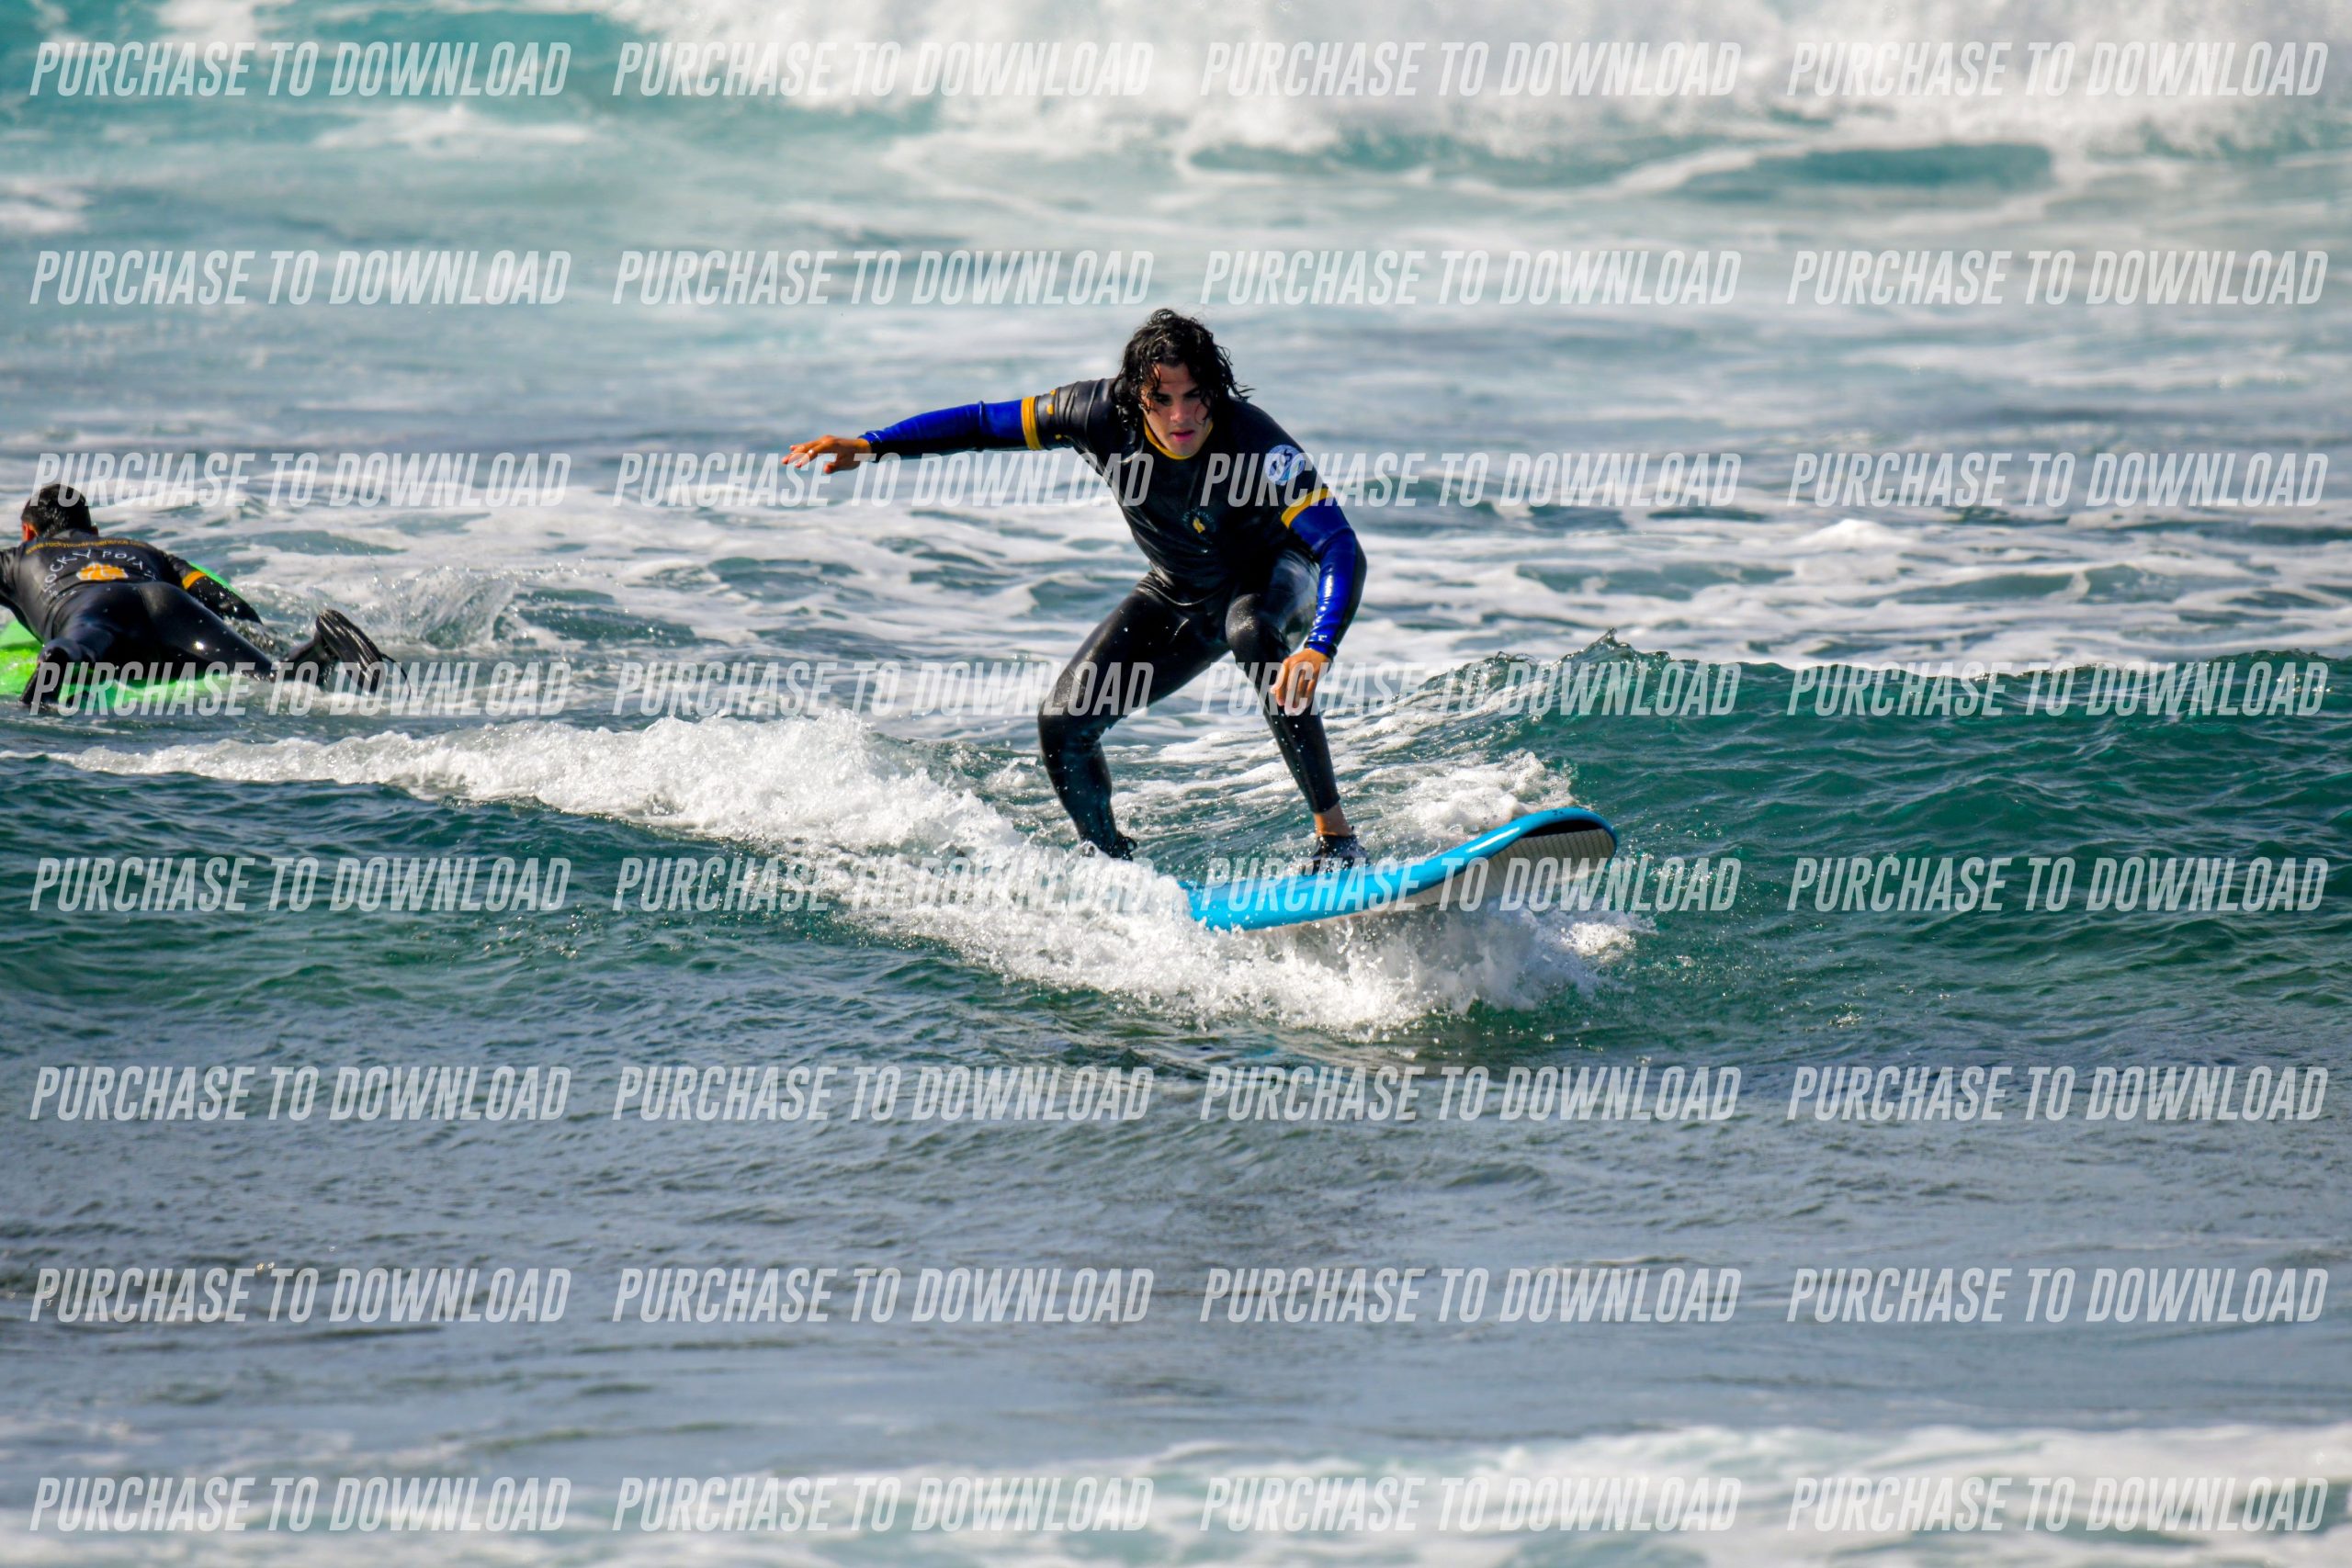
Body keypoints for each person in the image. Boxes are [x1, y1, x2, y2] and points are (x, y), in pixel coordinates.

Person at [789, 310, 1368, 870]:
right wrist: (873, 445)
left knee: (1252, 632)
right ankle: (1111, 865)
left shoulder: (1257, 443)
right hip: (1178, 591)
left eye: (1195, 396)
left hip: (1275, 577)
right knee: (1064, 723)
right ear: (1136, 396)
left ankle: (1336, 840)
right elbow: (984, 424)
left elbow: (1339, 546)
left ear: (1215, 392)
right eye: (1162, 399)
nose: (1181, 416)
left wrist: (1319, 646)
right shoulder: (1094, 414)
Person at [3, 482, 386, 709]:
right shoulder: (142, 549)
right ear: (95, 531)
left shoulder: (20, 557)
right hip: (169, 603)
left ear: (28, 533)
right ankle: (322, 646)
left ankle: (57, 663)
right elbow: (227, 602)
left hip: (94, 611)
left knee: (75, 647)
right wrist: (260, 639)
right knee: (275, 678)